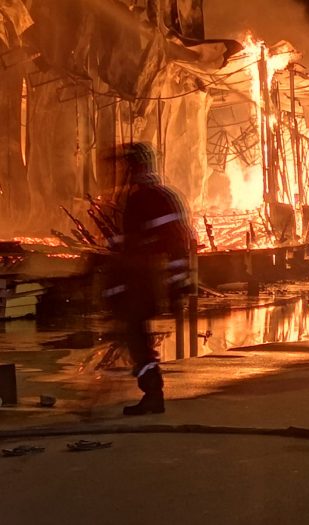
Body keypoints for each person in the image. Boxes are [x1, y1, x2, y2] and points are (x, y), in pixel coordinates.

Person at [103, 142, 195, 415]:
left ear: (137, 167)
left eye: (126, 167)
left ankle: (153, 393)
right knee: (136, 338)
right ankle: (152, 391)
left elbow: (175, 242)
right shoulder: (145, 197)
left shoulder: (149, 199)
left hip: (144, 281)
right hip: (138, 281)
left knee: (137, 338)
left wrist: (176, 282)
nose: (122, 173)